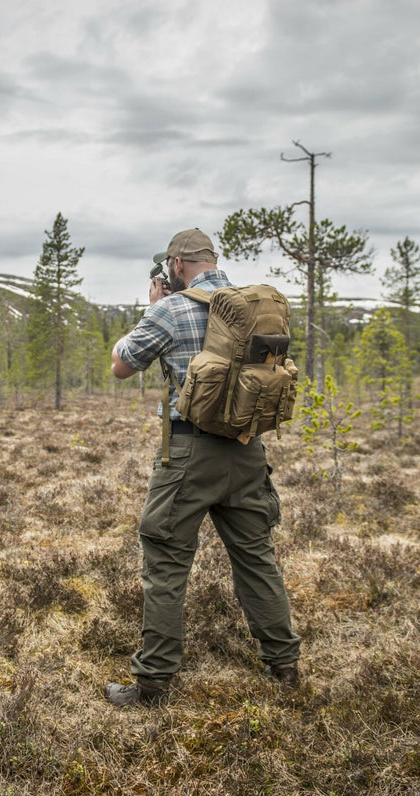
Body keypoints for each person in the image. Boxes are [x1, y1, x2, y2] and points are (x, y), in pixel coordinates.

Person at [103, 228, 301, 708]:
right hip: (247, 449)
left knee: (167, 561)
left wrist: (152, 309)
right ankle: (284, 665)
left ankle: (153, 682)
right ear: (212, 261)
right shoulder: (256, 306)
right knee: (256, 557)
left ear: (174, 265)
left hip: (188, 455)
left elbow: (122, 366)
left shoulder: (170, 309)